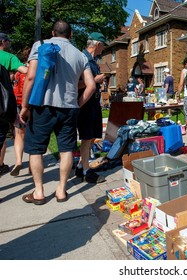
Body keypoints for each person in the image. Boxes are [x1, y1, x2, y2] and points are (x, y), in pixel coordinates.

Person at [20, 20, 96, 205]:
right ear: (71, 35)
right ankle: (61, 190)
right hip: (69, 108)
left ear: (53, 32)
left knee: (36, 150)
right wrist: (78, 102)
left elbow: (30, 76)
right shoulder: (80, 55)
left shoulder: (41, 45)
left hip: (42, 106)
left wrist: (24, 106)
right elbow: (91, 85)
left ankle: (39, 192)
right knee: (66, 149)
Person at [75, 32, 108, 184]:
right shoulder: (82, 58)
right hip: (85, 103)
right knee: (87, 137)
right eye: (103, 45)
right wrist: (94, 80)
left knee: (93, 136)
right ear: (97, 44)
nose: (104, 49)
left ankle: (82, 165)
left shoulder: (93, 61)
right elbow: (74, 83)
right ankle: (87, 171)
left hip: (94, 103)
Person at [0, 32, 28, 176]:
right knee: (6, 135)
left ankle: (1, 164)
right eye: (8, 42)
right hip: (4, 104)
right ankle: (14, 162)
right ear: (3, 42)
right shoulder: (9, 58)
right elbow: (27, 72)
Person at [10, 47, 31, 176]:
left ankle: (18, 161)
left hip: (18, 103)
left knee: (19, 134)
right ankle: (32, 164)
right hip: (33, 105)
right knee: (34, 134)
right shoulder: (36, 70)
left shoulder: (18, 71)